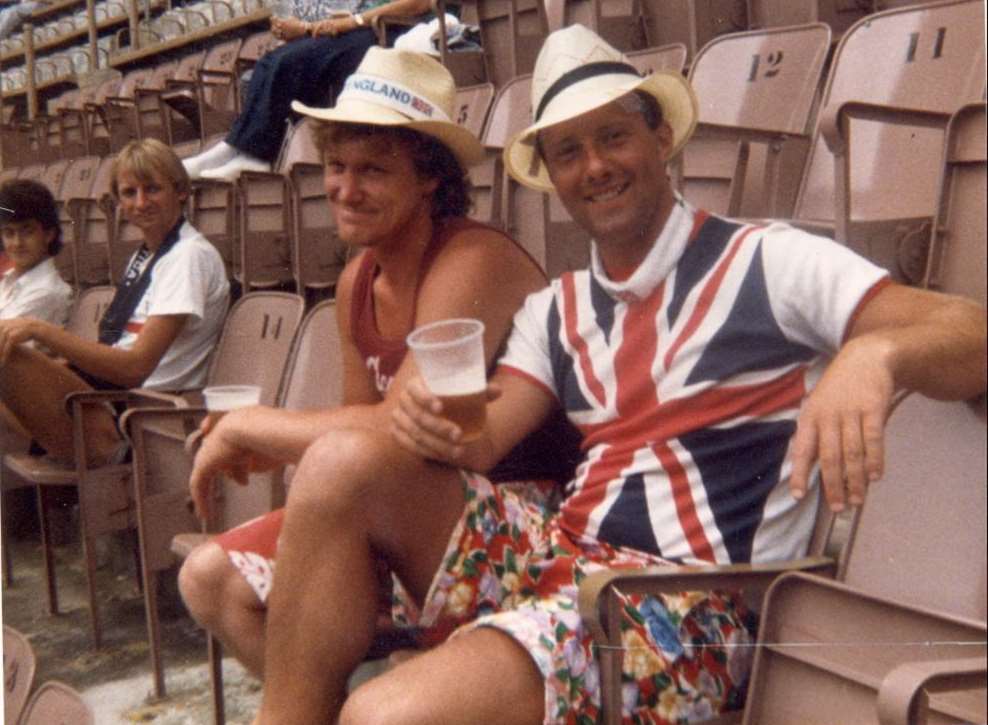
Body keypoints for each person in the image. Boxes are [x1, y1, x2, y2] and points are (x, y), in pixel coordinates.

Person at [243, 24, 987, 724]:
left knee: (382, 714)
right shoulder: (556, 310)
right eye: (567, 151)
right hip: (565, 561)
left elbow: (970, 329)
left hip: (693, 607)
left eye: (613, 136)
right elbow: (478, 442)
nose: (594, 166)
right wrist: (425, 426)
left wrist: (873, 354)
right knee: (340, 461)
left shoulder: (770, 259)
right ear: (552, 177)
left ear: (660, 137)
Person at [179, 47, 567, 679]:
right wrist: (275, 446)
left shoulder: (473, 256)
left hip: (520, 513)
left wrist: (251, 427)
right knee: (212, 580)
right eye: (336, 166)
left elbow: (396, 427)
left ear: (429, 179)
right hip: (405, 505)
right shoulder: (356, 281)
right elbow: (361, 421)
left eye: (374, 171)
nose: (346, 190)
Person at [0, 138, 229, 465]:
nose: (141, 202)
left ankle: (104, 455)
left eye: (152, 189)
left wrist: (39, 330)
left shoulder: (188, 256)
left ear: (180, 191)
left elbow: (136, 367)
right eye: (129, 193)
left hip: (139, 411)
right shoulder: (145, 255)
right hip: (108, 395)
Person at [180, 0, 431, 183]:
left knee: (289, 61)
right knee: (270, 60)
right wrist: (316, 26)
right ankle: (235, 148)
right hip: (362, 27)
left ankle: (256, 155)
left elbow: (417, 4)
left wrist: (349, 22)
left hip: (391, 32)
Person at [0, 179, 72, 328]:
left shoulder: (47, 291)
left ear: (49, 234)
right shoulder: (8, 282)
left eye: (27, 232)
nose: (17, 243)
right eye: (9, 233)